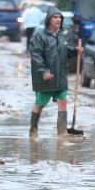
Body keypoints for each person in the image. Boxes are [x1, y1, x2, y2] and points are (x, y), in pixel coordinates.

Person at [28, 7, 70, 138]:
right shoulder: (40, 36)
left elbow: (65, 51)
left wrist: (76, 50)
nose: (58, 20)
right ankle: (33, 129)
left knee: (62, 100)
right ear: (49, 20)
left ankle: (62, 133)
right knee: (40, 103)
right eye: (55, 17)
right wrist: (44, 71)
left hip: (60, 76)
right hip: (46, 76)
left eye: (60, 18)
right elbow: (36, 55)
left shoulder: (63, 35)